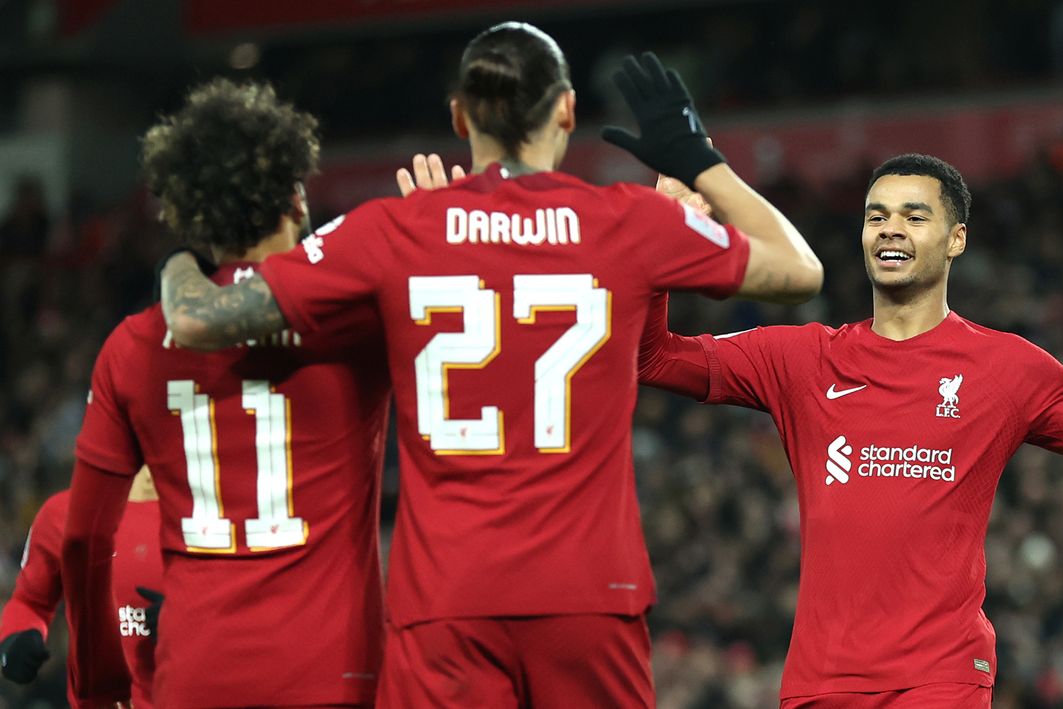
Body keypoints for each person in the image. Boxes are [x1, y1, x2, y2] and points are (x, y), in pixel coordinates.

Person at [157, 22, 822, 707]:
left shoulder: (394, 228)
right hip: (589, 593)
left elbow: (200, 319)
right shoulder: (628, 221)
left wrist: (179, 255)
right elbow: (800, 269)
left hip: (446, 600)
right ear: (567, 110)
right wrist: (696, 158)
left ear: (459, 116)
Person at [636, 153, 1063, 708]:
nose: (890, 228)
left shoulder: (1009, 368)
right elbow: (650, 358)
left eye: (914, 217)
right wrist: (657, 240)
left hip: (940, 680)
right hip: (820, 683)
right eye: (876, 216)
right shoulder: (801, 360)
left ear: (956, 240)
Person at [61, 79, 392, 708]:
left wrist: (98, 680)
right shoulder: (355, 321)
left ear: (193, 215)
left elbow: (84, 540)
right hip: (332, 674)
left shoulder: (132, 346)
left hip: (195, 675)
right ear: (296, 197)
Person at [0, 468, 161, 709]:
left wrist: (190, 621)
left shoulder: (207, 521)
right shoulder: (62, 514)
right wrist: (15, 639)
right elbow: (30, 601)